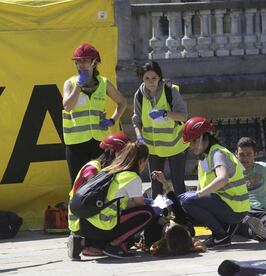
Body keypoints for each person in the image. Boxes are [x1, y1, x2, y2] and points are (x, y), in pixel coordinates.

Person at [71, 142, 158, 259]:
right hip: (102, 227)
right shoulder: (132, 177)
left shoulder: (108, 170)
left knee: (125, 230)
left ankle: (83, 243)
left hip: (85, 225)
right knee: (147, 213)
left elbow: (116, 202)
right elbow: (139, 205)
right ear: (141, 161)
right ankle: (114, 246)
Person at [179, 117, 251, 248]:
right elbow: (202, 189)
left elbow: (222, 178)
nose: (191, 146)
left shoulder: (217, 153)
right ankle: (225, 227)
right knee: (183, 205)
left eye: (193, 141)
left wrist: (198, 195)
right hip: (229, 205)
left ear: (204, 137)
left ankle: (220, 236)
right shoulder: (204, 158)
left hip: (234, 208)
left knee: (188, 201)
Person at [63, 43, 127, 184]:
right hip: (76, 143)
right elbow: (67, 106)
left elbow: (122, 102)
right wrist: (79, 85)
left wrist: (112, 120)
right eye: (78, 61)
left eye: (85, 61)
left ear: (94, 63)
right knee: (78, 183)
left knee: (100, 181)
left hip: (99, 141)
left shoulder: (104, 83)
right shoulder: (70, 83)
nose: (81, 64)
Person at [67, 132, 130, 258]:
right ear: (113, 152)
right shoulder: (93, 168)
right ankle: (87, 243)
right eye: (125, 154)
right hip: (82, 221)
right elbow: (93, 196)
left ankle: (85, 242)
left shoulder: (103, 168)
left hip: (83, 219)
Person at [132, 61, 189, 198]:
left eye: (154, 78)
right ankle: (158, 215)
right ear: (142, 79)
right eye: (147, 78)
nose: (151, 82)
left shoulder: (170, 91)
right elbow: (136, 121)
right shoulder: (139, 96)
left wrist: (165, 113)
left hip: (175, 145)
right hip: (153, 149)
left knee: (178, 183)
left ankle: (183, 213)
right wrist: (139, 137)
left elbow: (183, 116)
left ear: (160, 77)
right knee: (156, 184)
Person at [137, 171, 206, 256]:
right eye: (174, 224)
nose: (169, 223)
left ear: (165, 237)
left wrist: (159, 217)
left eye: (168, 227)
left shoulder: (152, 237)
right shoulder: (187, 228)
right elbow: (176, 204)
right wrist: (164, 182)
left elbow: (145, 217)